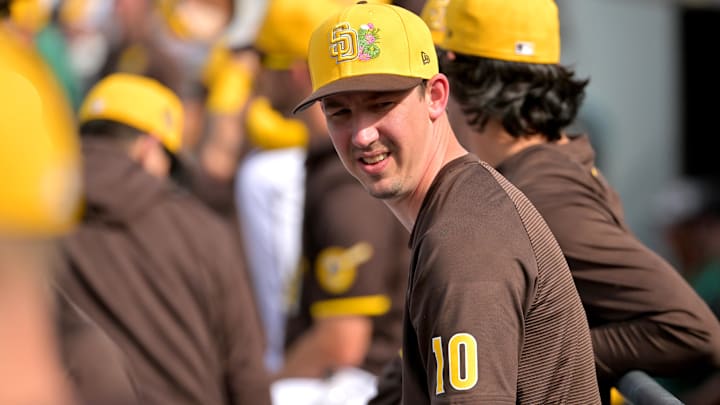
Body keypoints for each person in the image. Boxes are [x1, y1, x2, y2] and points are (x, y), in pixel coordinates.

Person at [295, 2, 601, 403]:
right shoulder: (458, 208)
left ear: (435, 96)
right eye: (340, 112)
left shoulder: (464, 240)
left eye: (381, 104)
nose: (362, 134)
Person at [433, 0, 720, 402]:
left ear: (458, 77)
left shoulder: (544, 192)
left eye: (432, 78)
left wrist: (531, 352)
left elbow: (690, 330)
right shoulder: (535, 171)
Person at [57, 72, 272, 405]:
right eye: (169, 164)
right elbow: (246, 372)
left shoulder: (34, 220)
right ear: (149, 147)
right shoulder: (202, 230)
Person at [252, 0, 410, 398]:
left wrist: (255, 393)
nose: (254, 75)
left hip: (369, 385)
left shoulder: (346, 177)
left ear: (297, 72)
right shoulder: (331, 164)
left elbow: (343, 340)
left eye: (264, 61)